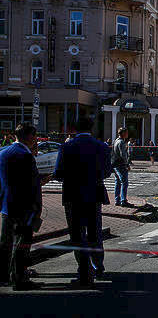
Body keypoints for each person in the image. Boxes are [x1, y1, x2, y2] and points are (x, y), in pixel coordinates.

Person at [54, 118, 112, 287]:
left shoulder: (66, 147)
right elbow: (107, 171)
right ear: (91, 129)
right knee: (95, 232)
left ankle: (84, 269)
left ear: (74, 129)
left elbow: (58, 173)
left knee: (77, 234)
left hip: (73, 196)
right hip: (94, 194)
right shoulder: (101, 146)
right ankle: (98, 265)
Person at [0, 124, 45, 290]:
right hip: (24, 208)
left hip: (6, 205)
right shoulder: (26, 156)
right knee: (22, 244)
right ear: (30, 137)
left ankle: (4, 274)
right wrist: (37, 209)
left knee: (5, 242)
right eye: (35, 137)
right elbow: (33, 187)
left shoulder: (3, 152)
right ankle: (19, 278)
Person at [111, 127, 132, 207]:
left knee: (118, 182)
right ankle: (123, 200)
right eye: (126, 132)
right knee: (124, 182)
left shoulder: (116, 141)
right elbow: (123, 154)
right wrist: (127, 164)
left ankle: (117, 199)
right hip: (120, 164)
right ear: (123, 133)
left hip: (115, 164)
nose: (127, 134)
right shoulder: (122, 142)